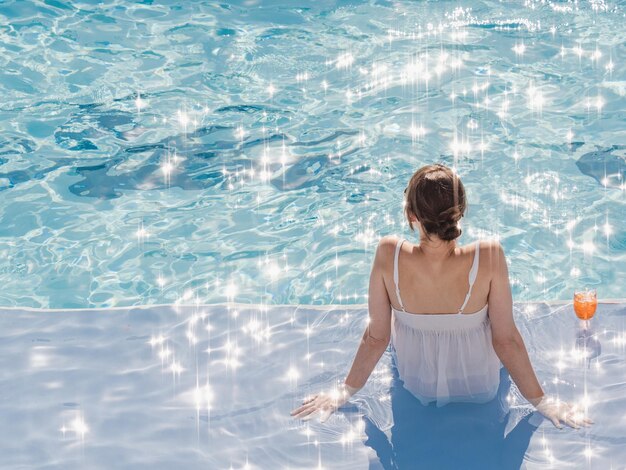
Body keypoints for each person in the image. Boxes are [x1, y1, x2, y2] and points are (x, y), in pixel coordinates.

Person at [291, 164, 591, 429]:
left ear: (411, 215)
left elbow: (376, 337)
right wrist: (542, 401)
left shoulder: (388, 254)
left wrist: (343, 392)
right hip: (480, 386)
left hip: (417, 384)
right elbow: (506, 339)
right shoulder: (488, 255)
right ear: (460, 212)